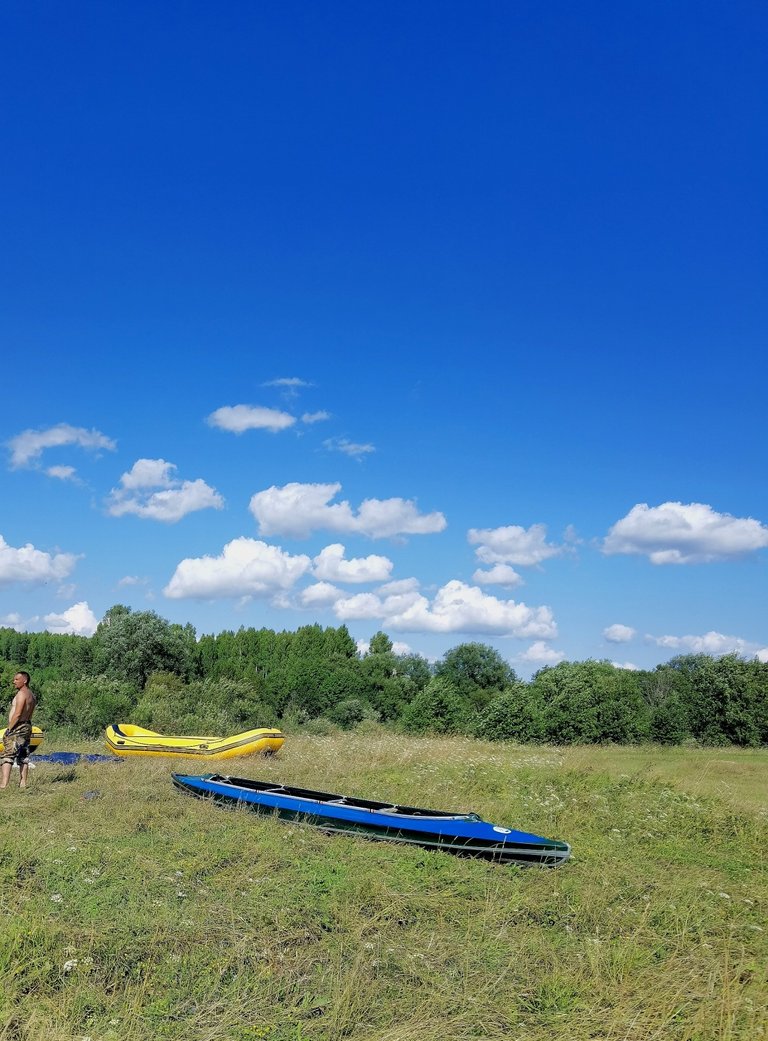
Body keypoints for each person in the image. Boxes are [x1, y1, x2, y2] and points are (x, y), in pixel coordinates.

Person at [0, 672, 37, 790]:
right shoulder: (31, 695)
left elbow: (18, 713)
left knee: (7, 754)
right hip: (27, 726)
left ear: (24, 680)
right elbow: (29, 714)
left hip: (18, 727)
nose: (14, 681)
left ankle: (4, 784)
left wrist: (9, 729)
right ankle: (23, 783)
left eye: (16, 679)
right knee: (23, 754)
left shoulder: (22, 694)